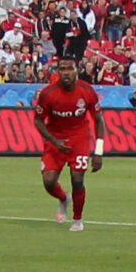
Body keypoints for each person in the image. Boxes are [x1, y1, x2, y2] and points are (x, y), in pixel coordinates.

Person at [31, 56, 103, 231]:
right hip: (56, 139)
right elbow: (38, 121)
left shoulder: (87, 91)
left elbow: (99, 120)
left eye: (69, 69)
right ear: (57, 72)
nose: (65, 73)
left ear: (76, 70)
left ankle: (77, 219)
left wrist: (98, 152)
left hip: (79, 138)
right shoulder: (48, 94)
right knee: (48, 181)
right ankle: (64, 198)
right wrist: (54, 141)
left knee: (77, 179)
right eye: (62, 69)